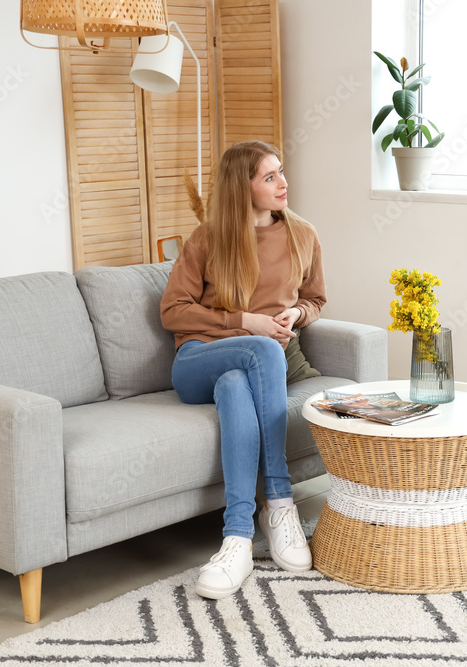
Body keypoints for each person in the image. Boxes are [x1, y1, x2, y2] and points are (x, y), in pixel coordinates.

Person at [160, 140, 326, 599]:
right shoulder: (208, 237)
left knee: (237, 385)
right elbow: (172, 311)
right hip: (197, 360)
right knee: (260, 351)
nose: (283, 182)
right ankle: (280, 503)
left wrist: (297, 316)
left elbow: (315, 299)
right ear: (242, 186)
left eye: (281, 172)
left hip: (242, 372)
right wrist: (243, 322)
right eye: (269, 176)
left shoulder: (303, 234)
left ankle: (236, 536)